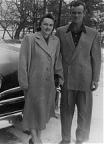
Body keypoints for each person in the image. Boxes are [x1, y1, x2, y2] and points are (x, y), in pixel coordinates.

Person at [55, 1, 101, 144]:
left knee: (84, 112)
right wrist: (58, 76)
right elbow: (56, 56)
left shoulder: (93, 33)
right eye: (73, 12)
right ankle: (66, 138)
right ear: (70, 13)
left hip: (85, 79)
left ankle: (80, 139)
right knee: (66, 111)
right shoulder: (61, 31)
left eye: (79, 12)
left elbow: (96, 58)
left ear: (84, 14)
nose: (76, 15)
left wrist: (95, 79)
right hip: (67, 79)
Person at [18, 13, 64, 144]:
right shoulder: (30, 38)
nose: (48, 27)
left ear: (53, 27)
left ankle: (36, 139)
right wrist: (24, 81)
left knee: (42, 111)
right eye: (45, 24)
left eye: (50, 25)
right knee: (32, 110)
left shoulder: (56, 41)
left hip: (48, 83)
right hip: (34, 81)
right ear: (40, 25)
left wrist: (60, 77)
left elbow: (57, 61)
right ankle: (37, 140)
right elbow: (23, 62)